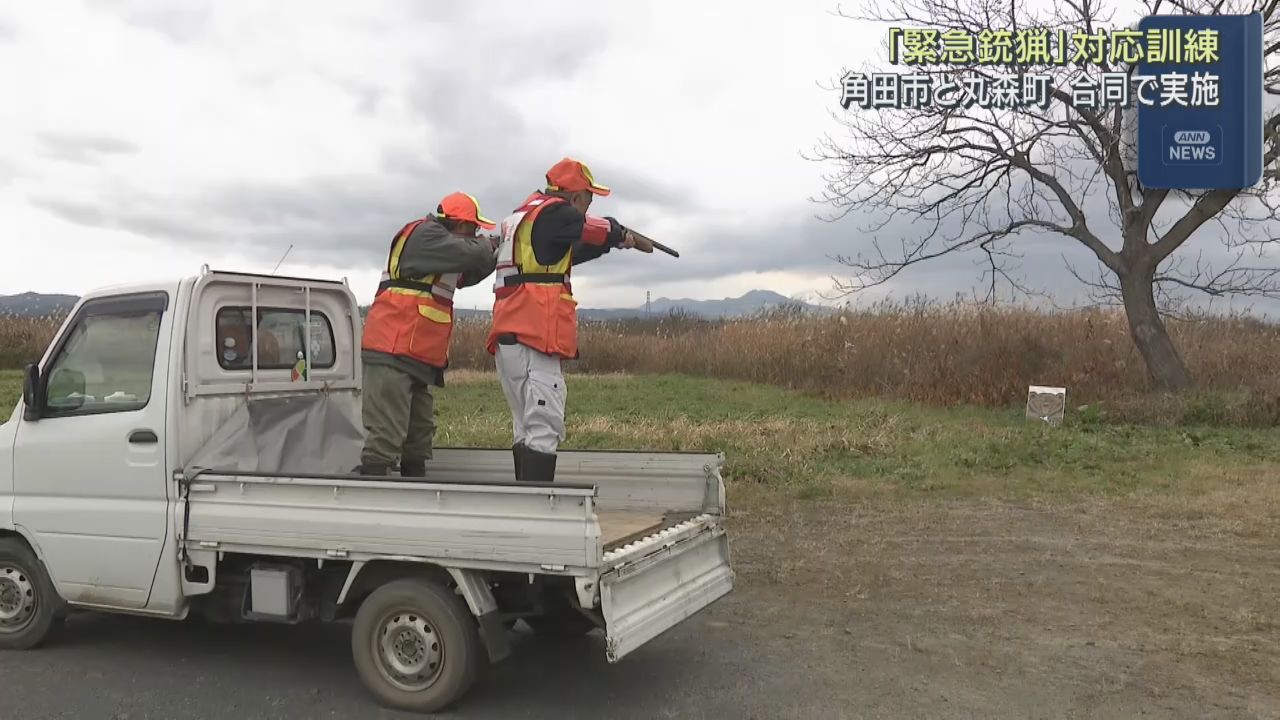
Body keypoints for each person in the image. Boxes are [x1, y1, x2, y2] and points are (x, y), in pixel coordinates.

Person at [486, 158, 653, 483]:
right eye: (588, 199)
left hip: (511, 336)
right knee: (545, 425)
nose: (588, 206)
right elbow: (595, 228)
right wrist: (620, 234)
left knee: (525, 426)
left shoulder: (522, 218)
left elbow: (563, 251)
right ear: (576, 197)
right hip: (536, 335)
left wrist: (608, 248)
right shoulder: (554, 212)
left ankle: (524, 507)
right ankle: (540, 513)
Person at [358, 192, 499, 477]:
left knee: (418, 436)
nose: (477, 234)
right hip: (392, 348)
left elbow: (468, 272)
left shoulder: (440, 252)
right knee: (386, 433)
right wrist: (489, 244)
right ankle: (369, 499)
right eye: (474, 229)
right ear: (459, 225)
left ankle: (414, 494)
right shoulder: (425, 234)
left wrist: (497, 255)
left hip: (415, 354)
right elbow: (471, 253)